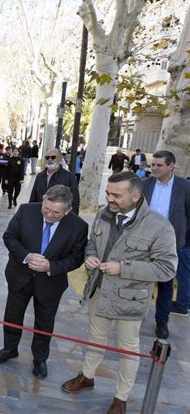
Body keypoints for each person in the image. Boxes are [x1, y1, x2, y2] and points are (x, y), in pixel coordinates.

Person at [61, 172, 177, 414]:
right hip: (99, 290)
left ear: (136, 196)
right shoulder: (104, 213)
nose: (109, 199)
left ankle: (121, 397)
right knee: (95, 338)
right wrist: (90, 255)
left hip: (130, 300)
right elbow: (92, 241)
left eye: (116, 195)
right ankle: (87, 376)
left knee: (127, 349)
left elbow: (166, 269)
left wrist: (122, 268)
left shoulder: (159, 226)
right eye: (107, 193)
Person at [0, 185, 88, 379]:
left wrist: (51, 266)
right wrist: (26, 256)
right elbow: (9, 237)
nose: (49, 215)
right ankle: (10, 348)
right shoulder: (26, 210)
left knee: (44, 323)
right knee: (12, 315)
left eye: (56, 212)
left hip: (50, 283)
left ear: (68, 210)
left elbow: (76, 258)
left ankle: (40, 359)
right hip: (19, 276)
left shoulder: (79, 226)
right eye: (46, 209)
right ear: (43, 200)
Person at [142, 150, 190, 337]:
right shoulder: (144, 184)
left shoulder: (184, 187)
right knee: (140, 280)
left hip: (171, 243)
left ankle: (161, 320)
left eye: (159, 165)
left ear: (171, 166)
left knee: (166, 283)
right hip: (144, 242)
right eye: (153, 164)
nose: (154, 168)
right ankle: (135, 317)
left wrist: (183, 239)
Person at [29, 148, 80, 215]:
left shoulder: (69, 177)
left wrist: (72, 220)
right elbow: (33, 197)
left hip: (59, 217)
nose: (50, 159)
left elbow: (75, 200)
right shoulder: (40, 176)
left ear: (60, 159)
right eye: (47, 157)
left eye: (53, 157)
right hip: (40, 216)